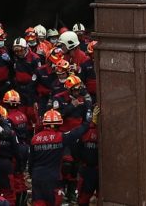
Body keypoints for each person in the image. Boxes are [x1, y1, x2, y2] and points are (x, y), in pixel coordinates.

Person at [29, 108, 93, 206]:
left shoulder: (34, 139)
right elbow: (77, 132)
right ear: (59, 123)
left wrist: (33, 175)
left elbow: (31, 162)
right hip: (53, 178)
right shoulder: (60, 137)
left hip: (37, 178)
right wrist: (89, 122)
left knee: (38, 203)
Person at [49, 75, 93, 203]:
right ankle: (61, 189)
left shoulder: (84, 99)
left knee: (75, 166)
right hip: (64, 136)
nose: (77, 92)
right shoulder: (59, 98)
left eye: (78, 89)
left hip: (78, 137)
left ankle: (71, 192)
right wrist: (71, 106)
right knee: (66, 164)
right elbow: (56, 115)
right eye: (74, 89)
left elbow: (87, 117)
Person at [3, 90, 32, 206]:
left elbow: (9, 136)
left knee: (16, 177)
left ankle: (19, 201)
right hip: (24, 147)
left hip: (16, 148)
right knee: (20, 174)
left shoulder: (8, 119)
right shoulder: (22, 115)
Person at [10, 38, 41, 125]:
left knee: (32, 112)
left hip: (31, 89)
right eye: (16, 51)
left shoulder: (35, 58)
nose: (18, 53)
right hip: (20, 89)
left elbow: (38, 76)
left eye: (20, 50)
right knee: (21, 111)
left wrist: (33, 90)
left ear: (26, 48)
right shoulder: (16, 57)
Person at [74, 104, 99, 206]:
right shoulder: (85, 131)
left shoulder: (108, 130)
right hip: (87, 169)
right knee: (83, 198)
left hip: (102, 169)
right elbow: (75, 150)